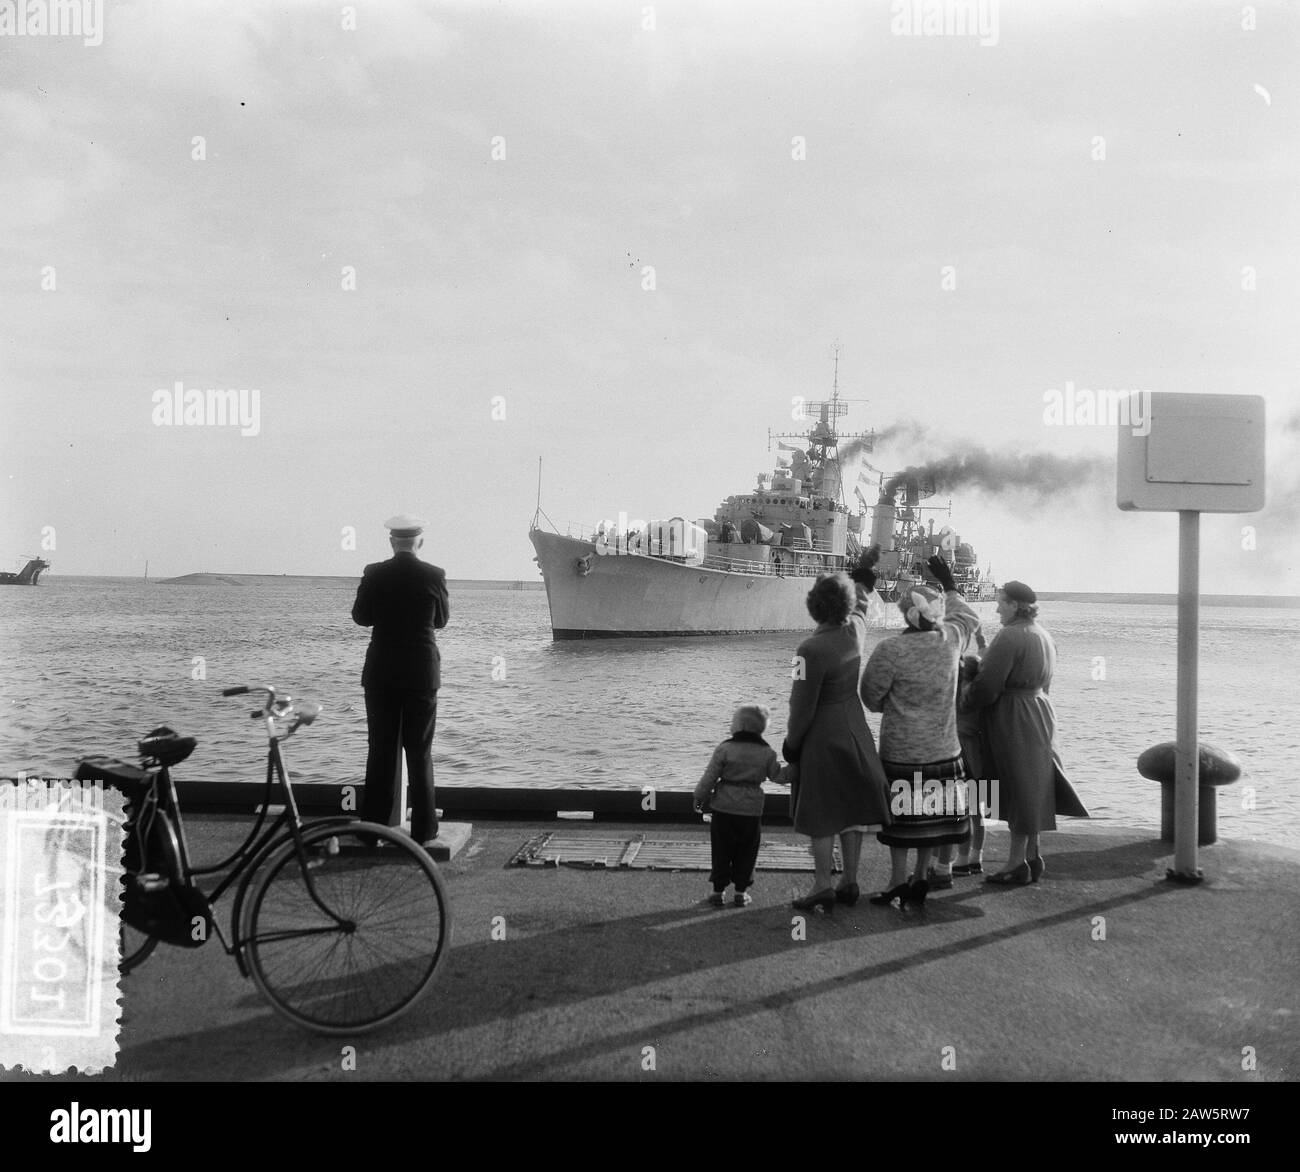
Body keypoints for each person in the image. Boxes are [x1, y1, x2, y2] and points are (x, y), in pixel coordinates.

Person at [859, 555, 980, 907]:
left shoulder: (891, 650)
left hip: (901, 748)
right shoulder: (951, 640)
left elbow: (870, 696)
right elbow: (969, 618)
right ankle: (921, 875)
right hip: (943, 747)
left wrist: (893, 708)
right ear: (936, 613)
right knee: (933, 818)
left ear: (904, 614)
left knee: (901, 821)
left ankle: (897, 879)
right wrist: (951, 585)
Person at [783, 552, 892, 913]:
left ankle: (821, 884)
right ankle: (850, 881)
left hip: (821, 735)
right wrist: (861, 582)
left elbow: (801, 705)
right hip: (854, 726)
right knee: (851, 811)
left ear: (814, 606)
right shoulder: (856, 631)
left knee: (821, 813)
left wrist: (791, 744)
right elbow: (861, 604)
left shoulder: (807, 650)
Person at [962, 581, 1087, 885]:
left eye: (1001, 602)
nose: (996, 608)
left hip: (1013, 715)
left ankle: (1016, 863)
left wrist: (965, 698)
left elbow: (988, 686)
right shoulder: (1043, 635)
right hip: (1042, 710)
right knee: (1034, 784)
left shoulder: (1010, 636)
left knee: (1017, 786)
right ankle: (1032, 854)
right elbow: (1046, 684)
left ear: (1015, 605)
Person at [351, 514, 450, 849]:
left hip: (382, 672)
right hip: (422, 672)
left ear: (392, 542)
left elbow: (361, 617)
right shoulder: (434, 574)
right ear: (419, 542)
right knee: (419, 751)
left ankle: (373, 829)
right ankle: (424, 830)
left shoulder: (374, 573)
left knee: (380, 749)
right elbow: (441, 621)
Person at [693, 704, 783, 907]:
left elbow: (710, 777)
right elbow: (778, 775)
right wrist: (797, 770)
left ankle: (718, 892)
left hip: (723, 809)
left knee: (722, 850)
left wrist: (699, 796)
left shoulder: (725, 748)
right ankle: (741, 893)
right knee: (747, 851)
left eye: (733, 721)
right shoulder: (767, 752)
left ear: (740, 726)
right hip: (751, 811)